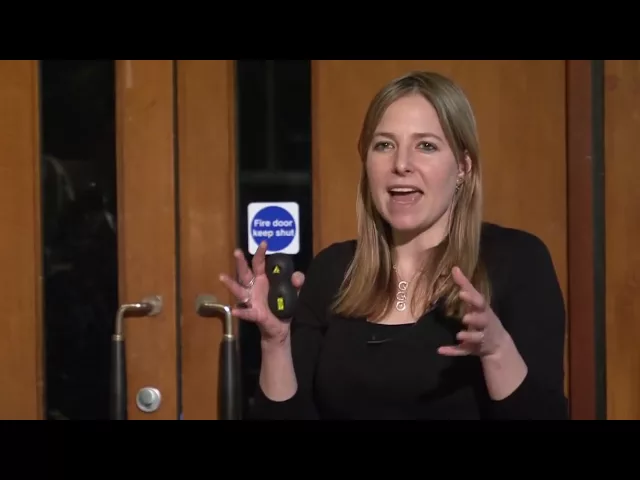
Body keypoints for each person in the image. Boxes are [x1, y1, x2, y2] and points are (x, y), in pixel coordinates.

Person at [220, 71, 568, 420]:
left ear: (463, 166)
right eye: (384, 145)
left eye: (426, 146)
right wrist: (276, 342)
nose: (401, 164)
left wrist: (496, 351)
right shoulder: (333, 271)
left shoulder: (517, 262)